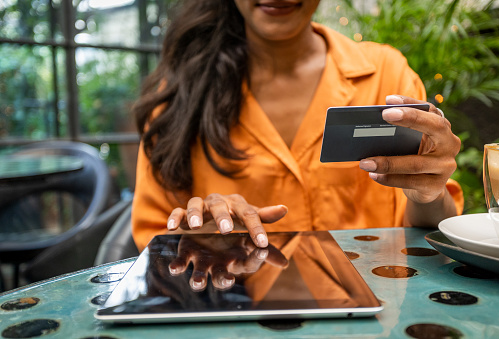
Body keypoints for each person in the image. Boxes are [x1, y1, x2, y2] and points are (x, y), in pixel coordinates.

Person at [131, 0, 464, 251]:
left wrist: (429, 191)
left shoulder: (387, 76)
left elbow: (434, 231)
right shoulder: (177, 98)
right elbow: (154, 243)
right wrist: (199, 235)